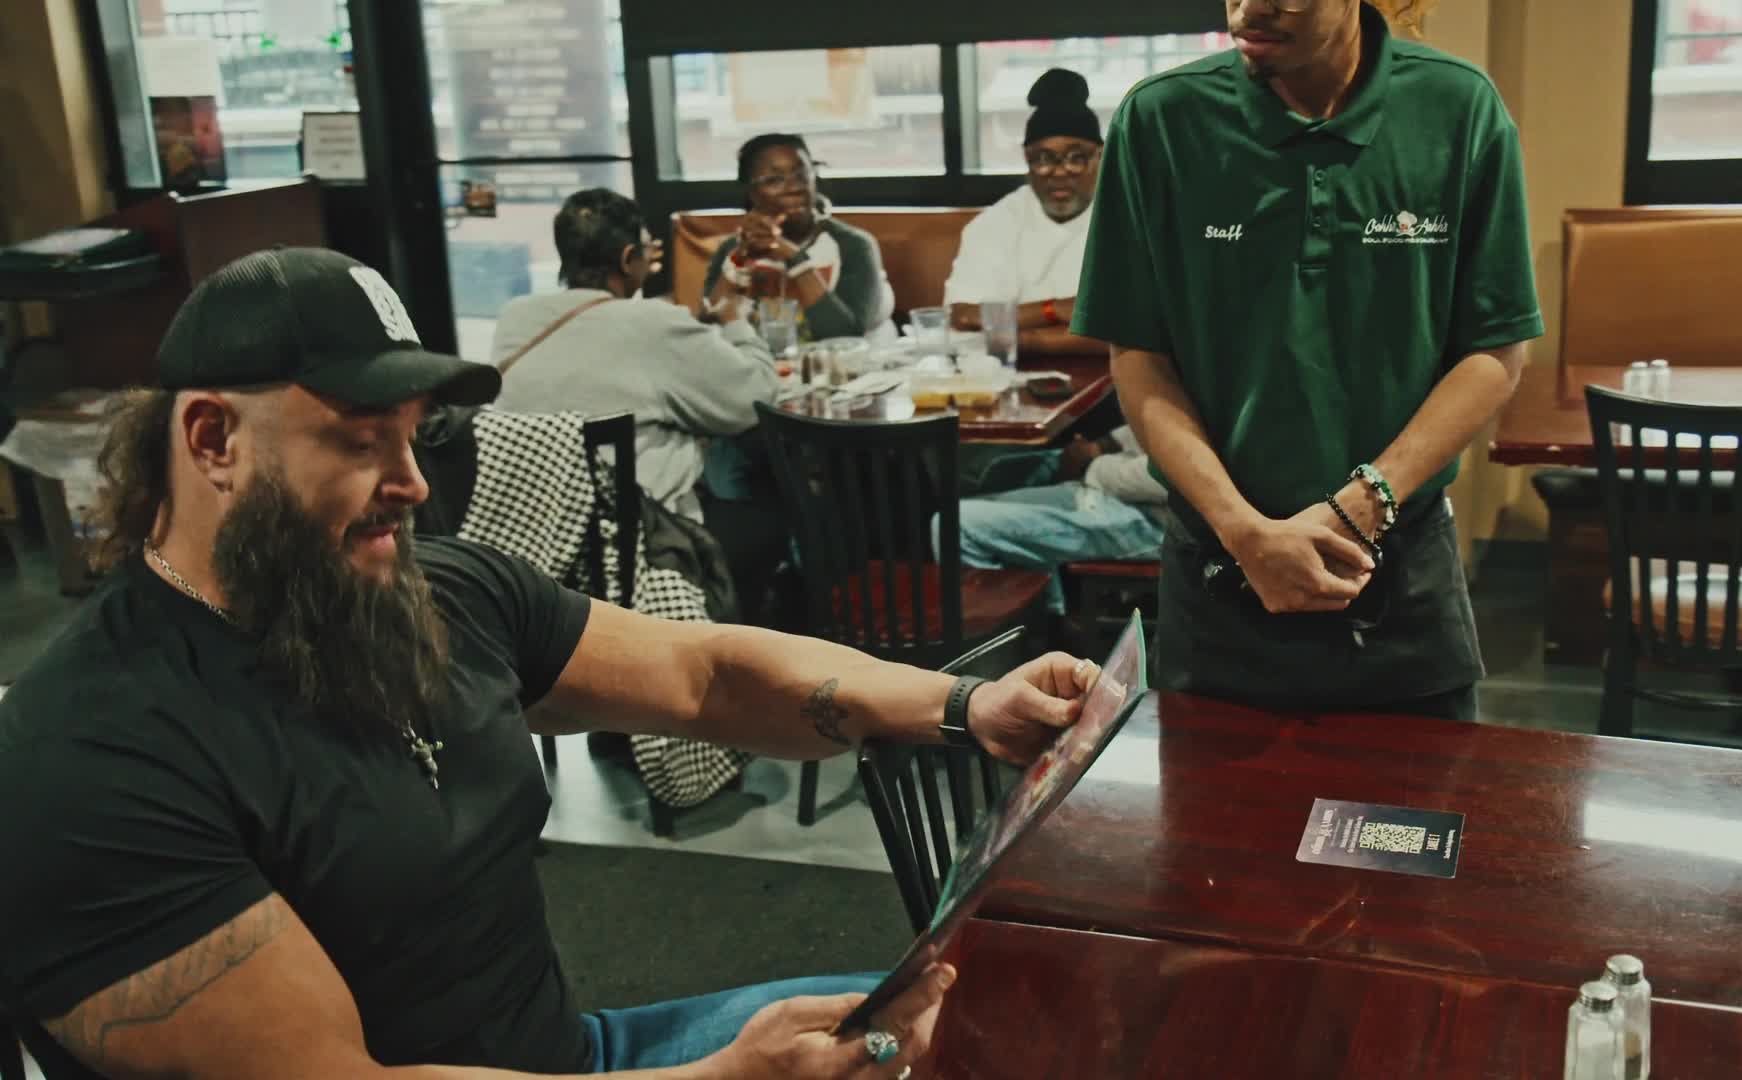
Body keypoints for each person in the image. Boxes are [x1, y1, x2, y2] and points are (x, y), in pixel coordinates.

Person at [0, 247, 1098, 1080]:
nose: (411, 482)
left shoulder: (435, 591)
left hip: (577, 1058)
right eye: (361, 438)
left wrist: (967, 705)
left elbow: (702, 675)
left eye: (415, 436)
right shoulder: (89, 757)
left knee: (983, 1028)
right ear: (211, 441)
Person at [1072, 0, 1545, 720]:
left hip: (1398, 567)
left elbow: (1496, 348)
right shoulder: (1163, 118)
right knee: (1213, 795)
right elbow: (1139, 354)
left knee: (1415, 793)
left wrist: (1363, 505)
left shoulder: (1457, 107)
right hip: (1219, 566)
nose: (1252, 6)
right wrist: (1243, 530)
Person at [490, 188, 787, 621]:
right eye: (648, 248)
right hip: (639, 547)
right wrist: (734, 320)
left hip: (540, 542)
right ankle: (732, 642)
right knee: (773, 519)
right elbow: (751, 398)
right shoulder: (653, 323)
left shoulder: (516, 317)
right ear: (629, 258)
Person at [944, 68, 1106, 356]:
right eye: (1043, 159)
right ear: (1026, 159)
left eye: (1076, 158)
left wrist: (1020, 334)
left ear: (1100, 156)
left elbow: (1134, 332)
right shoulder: (996, 223)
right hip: (1004, 373)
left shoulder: (1131, 217)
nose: (1059, 172)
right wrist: (1055, 309)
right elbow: (965, 317)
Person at [942, 427, 1166, 614]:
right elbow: (1148, 421)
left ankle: (1018, 639)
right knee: (989, 475)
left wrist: (1092, 464)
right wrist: (1101, 446)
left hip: (1153, 516)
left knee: (954, 524)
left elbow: (1161, 477)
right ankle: (1048, 624)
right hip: (1116, 480)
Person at [703, 134, 897, 344]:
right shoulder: (733, 250)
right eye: (774, 180)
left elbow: (844, 335)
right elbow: (710, 323)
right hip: (758, 362)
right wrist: (742, 255)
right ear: (752, 192)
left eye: (801, 175)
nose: (795, 188)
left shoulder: (853, 245)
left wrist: (793, 257)